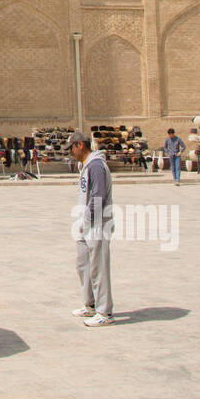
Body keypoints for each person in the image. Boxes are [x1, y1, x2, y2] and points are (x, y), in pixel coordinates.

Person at [69, 130, 114, 327]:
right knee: (83, 265)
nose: (71, 152)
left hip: (97, 225)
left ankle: (104, 312)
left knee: (99, 268)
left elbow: (98, 197)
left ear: (80, 145)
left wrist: (87, 221)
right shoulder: (87, 166)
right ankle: (90, 304)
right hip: (84, 226)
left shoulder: (96, 166)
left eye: (71, 148)